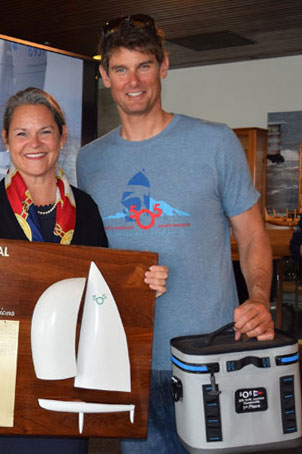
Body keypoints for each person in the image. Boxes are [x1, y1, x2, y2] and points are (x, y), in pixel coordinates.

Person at [76, 15, 274, 453]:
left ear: (164, 66)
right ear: (104, 75)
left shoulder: (215, 143)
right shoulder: (89, 162)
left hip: (210, 356)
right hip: (132, 360)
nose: (134, 81)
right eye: (121, 69)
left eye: (144, 66)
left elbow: (254, 234)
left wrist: (259, 298)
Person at [0, 87, 169, 453]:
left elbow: (103, 291)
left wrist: (142, 285)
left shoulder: (85, 207)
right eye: (21, 133)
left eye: (45, 131)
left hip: (66, 388)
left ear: (62, 135)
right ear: (6, 139)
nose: (34, 143)